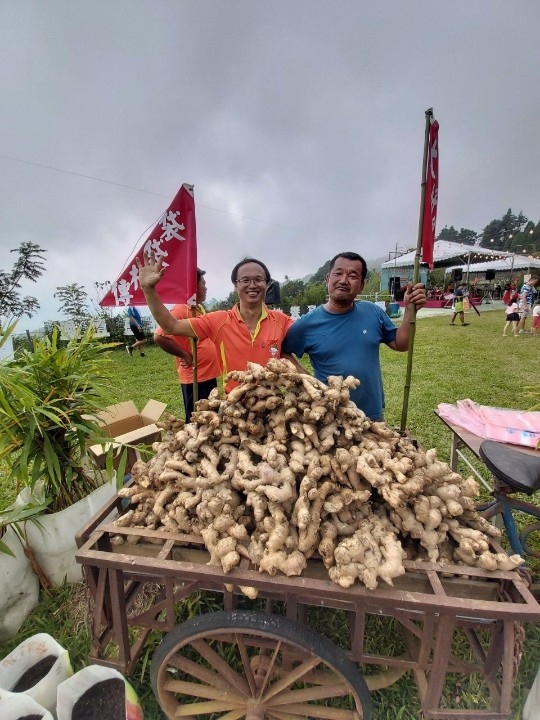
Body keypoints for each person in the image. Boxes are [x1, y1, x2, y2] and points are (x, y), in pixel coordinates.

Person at [281, 251, 427, 421]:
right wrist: (308, 379)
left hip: (371, 415)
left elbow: (401, 344)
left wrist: (410, 310)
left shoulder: (372, 312)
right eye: (338, 273)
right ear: (327, 279)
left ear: (361, 285)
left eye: (352, 276)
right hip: (330, 415)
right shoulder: (307, 324)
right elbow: (284, 352)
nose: (344, 280)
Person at [138, 255, 295, 391]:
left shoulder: (282, 321)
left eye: (259, 279)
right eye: (245, 280)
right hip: (234, 408)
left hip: (273, 405)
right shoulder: (219, 320)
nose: (252, 285)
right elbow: (170, 326)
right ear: (235, 286)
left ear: (266, 284)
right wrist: (148, 289)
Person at [154, 268, 221, 420]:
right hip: (195, 376)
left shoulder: (196, 309)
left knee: (211, 415)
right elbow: (159, 336)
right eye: (203, 283)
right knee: (197, 417)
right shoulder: (180, 310)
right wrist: (184, 355)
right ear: (194, 286)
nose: (206, 287)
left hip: (207, 373)